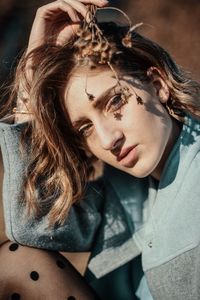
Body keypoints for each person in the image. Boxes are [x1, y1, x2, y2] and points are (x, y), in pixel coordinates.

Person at [0, 0, 200, 299]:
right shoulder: (122, 190)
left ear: (157, 84)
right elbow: (31, 228)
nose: (108, 140)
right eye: (85, 127)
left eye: (114, 101)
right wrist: (30, 78)